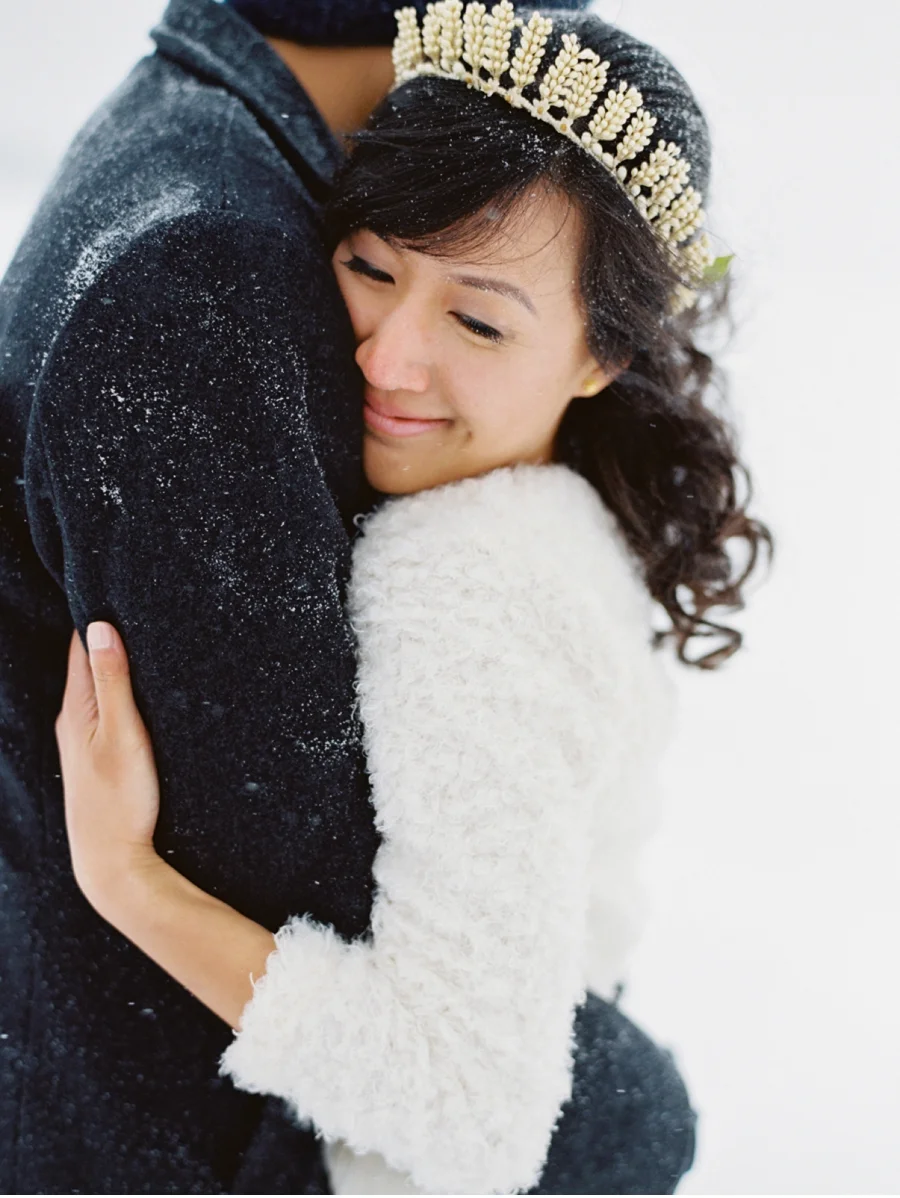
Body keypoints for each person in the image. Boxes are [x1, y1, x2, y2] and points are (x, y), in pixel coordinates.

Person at [51, 3, 772, 1194]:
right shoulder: (546, 505)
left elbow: (470, 1102)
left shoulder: (470, 582)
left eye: (479, 319)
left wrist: (129, 883)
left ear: (604, 358)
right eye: (373, 266)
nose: (386, 358)